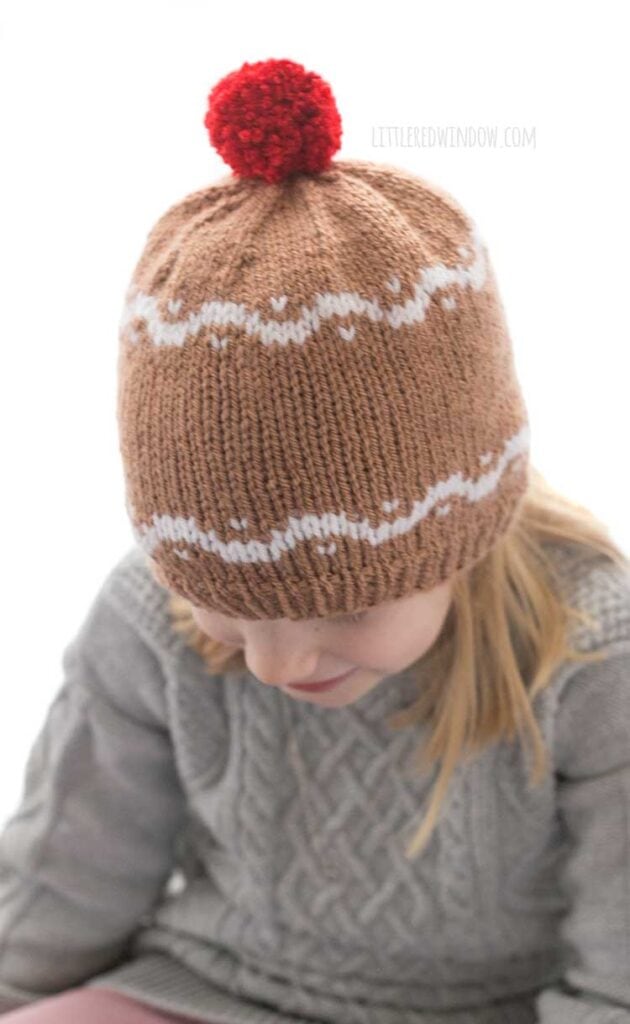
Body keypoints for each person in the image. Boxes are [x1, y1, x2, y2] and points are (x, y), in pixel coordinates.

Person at [0, 56, 629, 1024]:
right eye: (236, 604)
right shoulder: (146, 611)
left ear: (463, 531)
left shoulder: (590, 646)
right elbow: (71, 861)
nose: (276, 659)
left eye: (346, 606)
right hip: (216, 984)